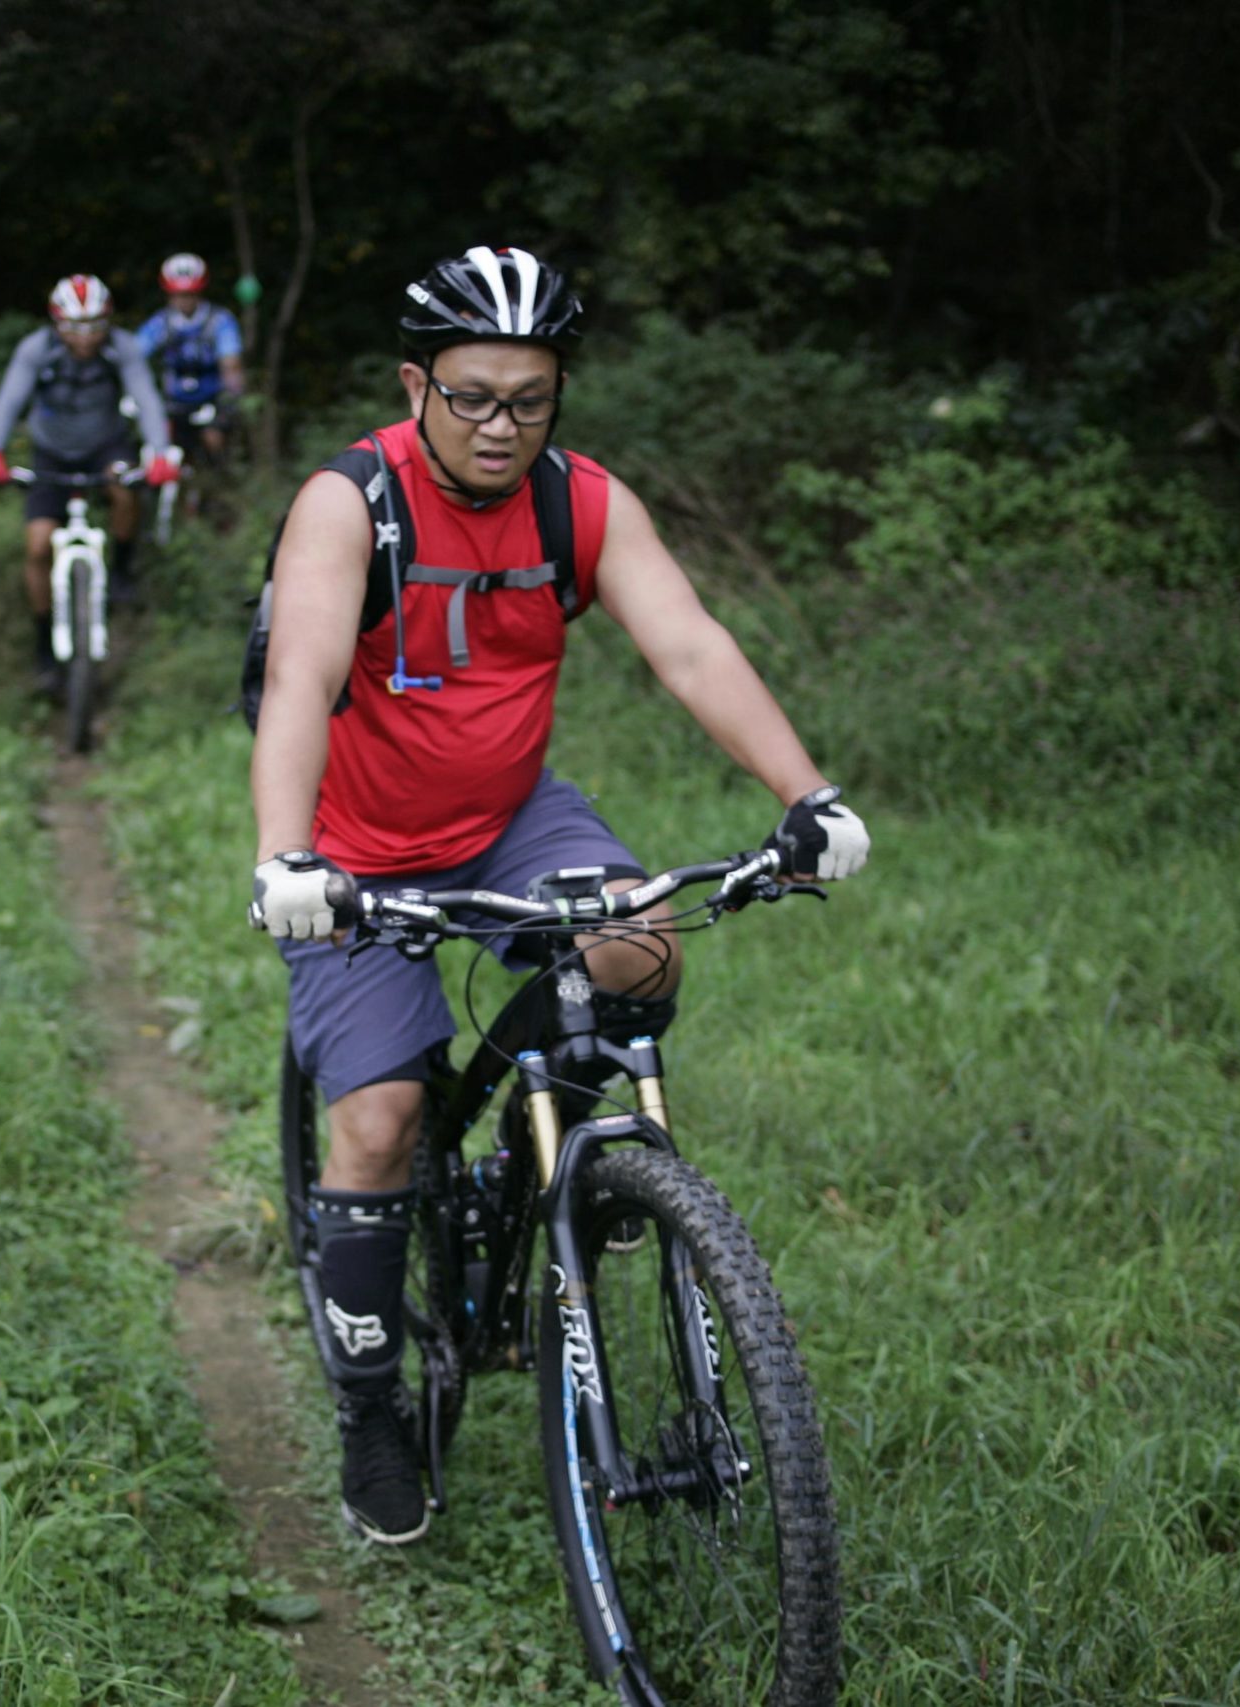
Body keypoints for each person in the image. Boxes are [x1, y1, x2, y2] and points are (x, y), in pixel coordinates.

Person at [245, 243, 871, 1545]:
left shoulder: (576, 502)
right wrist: (286, 857)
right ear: (416, 384)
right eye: (471, 394)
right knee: (379, 1119)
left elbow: (690, 645)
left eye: (529, 397)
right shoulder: (351, 503)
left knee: (640, 947)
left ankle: (576, 1164)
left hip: (513, 814)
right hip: (359, 841)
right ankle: (371, 1406)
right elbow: (302, 672)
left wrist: (807, 797)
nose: (499, 425)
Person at [0, 273, 179, 688]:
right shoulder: (36, 350)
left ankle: (121, 571)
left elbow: (146, 398)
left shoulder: (122, 349)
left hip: (107, 447)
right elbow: (9, 399)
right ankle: (43, 643)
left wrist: (159, 452)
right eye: (73, 327)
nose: (85, 338)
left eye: (94, 327)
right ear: (56, 323)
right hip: (50, 453)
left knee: (125, 490)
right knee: (37, 547)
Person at [135, 252, 245, 469]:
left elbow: (231, 363)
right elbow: (134, 356)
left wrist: (231, 399)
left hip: (211, 400)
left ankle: (219, 490)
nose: (184, 300)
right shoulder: (160, 323)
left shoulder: (219, 321)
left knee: (214, 441)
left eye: (190, 294)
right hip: (173, 402)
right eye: (178, 294)